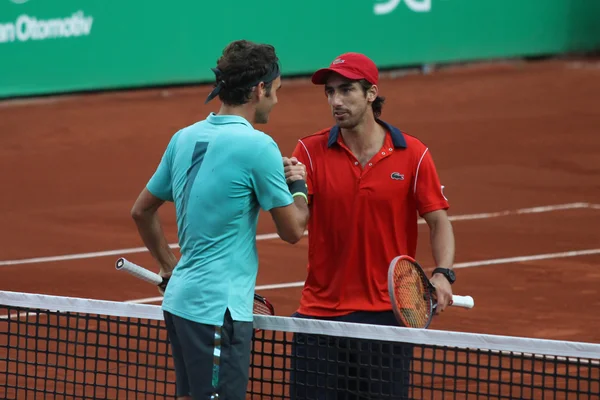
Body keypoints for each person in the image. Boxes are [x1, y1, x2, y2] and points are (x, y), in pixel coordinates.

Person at [130, 40, 309, 400]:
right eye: (275, 91)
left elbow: (141, 211)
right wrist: (300, 186)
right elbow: (293, 228)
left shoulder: (183, 138)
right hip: (217, 312)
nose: (276, 99)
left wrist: (169, 266)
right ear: (259, 89)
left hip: (180, 303)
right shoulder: (258, 146)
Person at [287, 52, 456, 399]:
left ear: (371, 93)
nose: (336, 101)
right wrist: (296, 189)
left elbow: (439, 222)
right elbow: (294, 228)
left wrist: (443, 273)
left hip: (387, 316)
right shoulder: (308, 151)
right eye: (330, 92)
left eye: (346, 90)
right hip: (320, 314)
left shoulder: (413, 154)